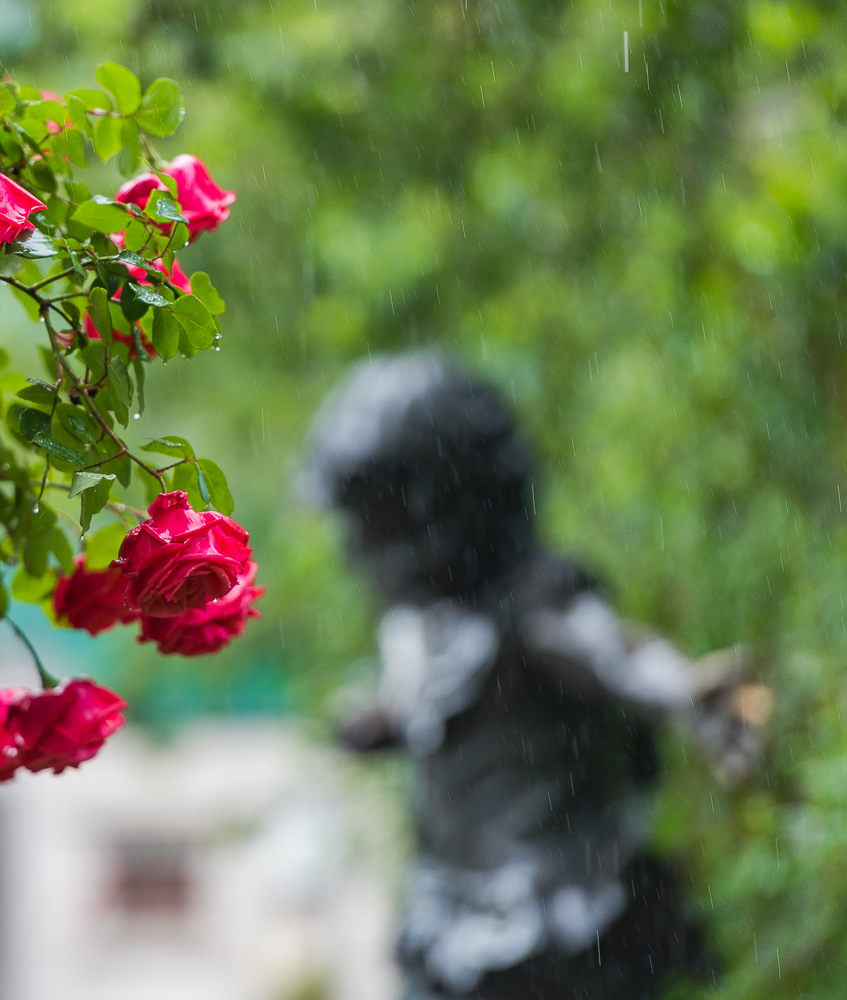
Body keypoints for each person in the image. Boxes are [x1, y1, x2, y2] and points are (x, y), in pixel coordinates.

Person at [301, 353, 766, 1000]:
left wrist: (686, 693)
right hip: (455, 928)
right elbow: (436, 709)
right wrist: (384, 726)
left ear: (438, 507)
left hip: (559, 933)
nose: (359, 549)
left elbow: (617, 654)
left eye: (376, 521)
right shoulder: (420, 626)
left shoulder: (534, 607)